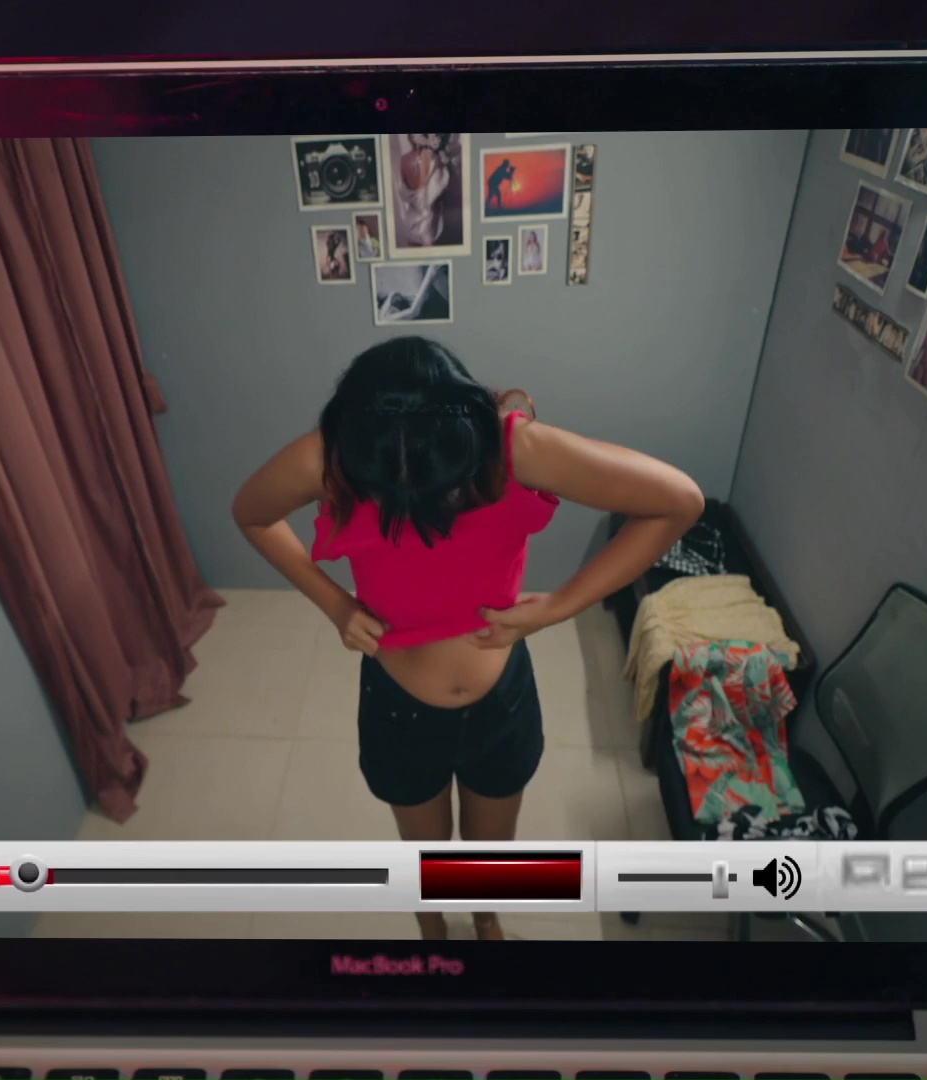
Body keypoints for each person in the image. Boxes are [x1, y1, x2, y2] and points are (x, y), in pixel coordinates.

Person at [231, 338, 704, 940]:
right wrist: (335, 604)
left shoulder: (515, 448)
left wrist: (559, 606)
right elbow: (252, 513)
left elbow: (678, 502)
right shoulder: (335, 454)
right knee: (424, 856)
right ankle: (431, 928)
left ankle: (485, 917)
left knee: (489, 853)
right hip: (399, 709)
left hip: (499, 704)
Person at [392, 134, 457, 249]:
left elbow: (405, 187)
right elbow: (442, 185)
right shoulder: (434, 158)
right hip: (428, 222)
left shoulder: (404, 160)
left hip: (410, 219)